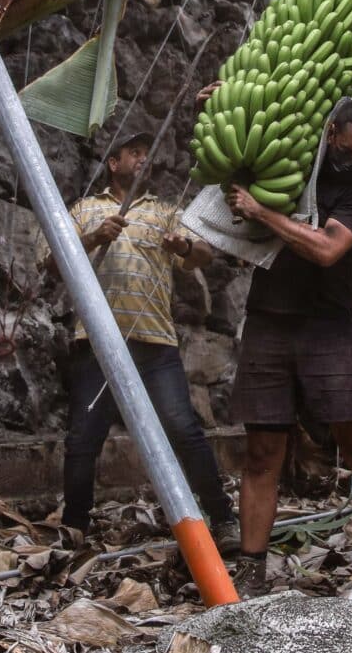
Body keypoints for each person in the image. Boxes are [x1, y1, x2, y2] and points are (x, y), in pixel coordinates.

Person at [221, 97, 352, 603]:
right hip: (268, 322)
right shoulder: (285, 166)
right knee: (263, 452)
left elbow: (326, 249)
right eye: (347, 149)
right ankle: (251, 568)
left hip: (329, 329)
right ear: (331, 131)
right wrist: (222, 96)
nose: (351, 160)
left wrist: (262, 212)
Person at [41, 131, 239, 550]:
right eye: (134, 153)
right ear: (113, 163)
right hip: (96, 342)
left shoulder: (165, 212)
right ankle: (75, 526)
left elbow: (201, 254)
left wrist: (184, 243)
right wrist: (95, 236)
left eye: (147, 155)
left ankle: (222, 518)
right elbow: (51, 262)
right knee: (83, 438)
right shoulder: (86, 210)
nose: (143, 160)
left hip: (155, 343)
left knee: (184, 429)